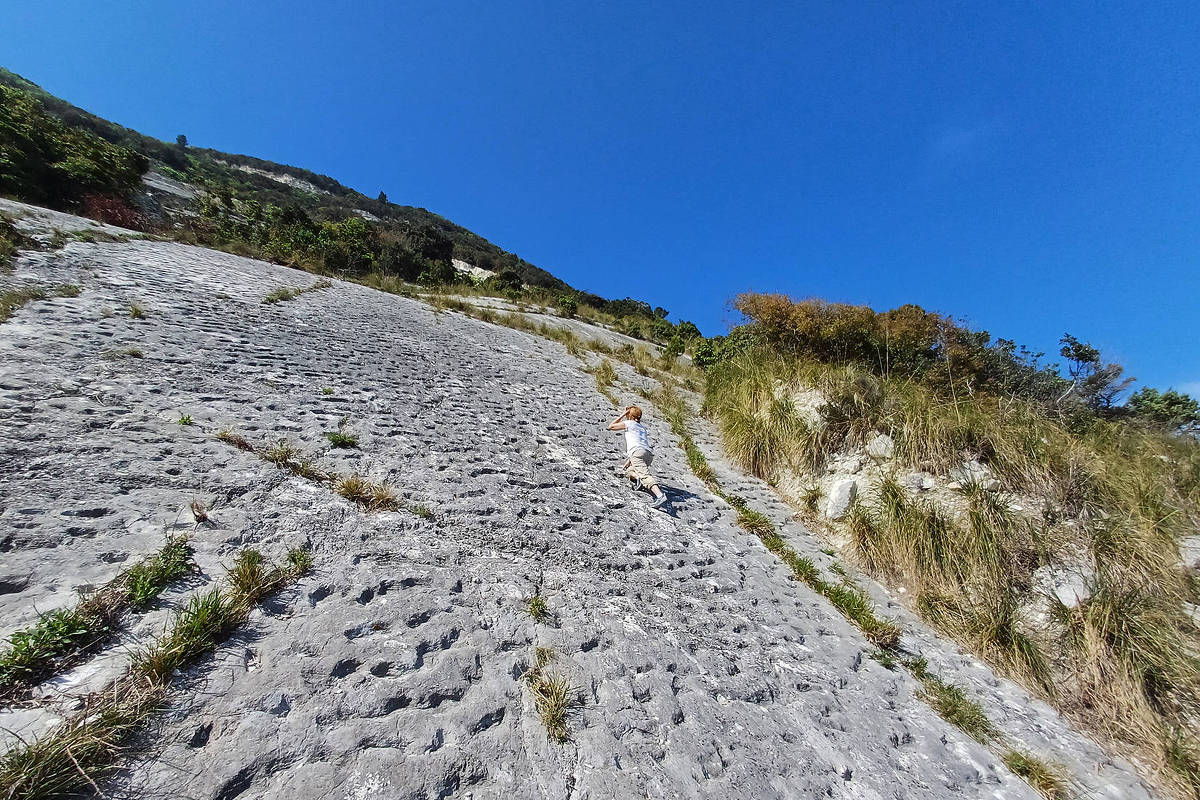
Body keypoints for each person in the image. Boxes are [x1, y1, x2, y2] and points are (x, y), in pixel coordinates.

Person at [607, 405, 668, 509]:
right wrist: (630, 460)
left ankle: (660, 495)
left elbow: (611, 426)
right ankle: (638, 479)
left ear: (629, 415)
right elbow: (639, 442)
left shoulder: (629, 423)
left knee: (645, 475)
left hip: (637, 454)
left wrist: (622, 414)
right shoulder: (642, 428)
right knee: (629, 470)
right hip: (647, 454)